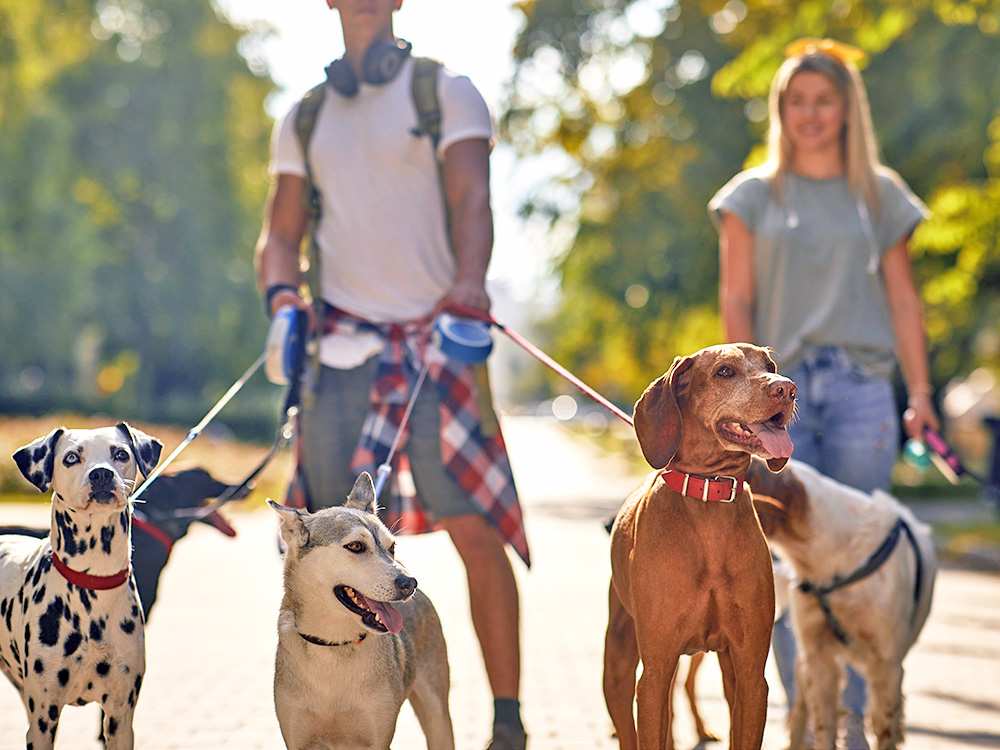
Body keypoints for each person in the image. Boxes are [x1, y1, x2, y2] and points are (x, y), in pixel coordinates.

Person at [254, 2, 528, 748]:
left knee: (474, 527)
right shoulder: (305, 117)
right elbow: (279, 236)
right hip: (339, 354)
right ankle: (335, 706)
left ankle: (508, 721)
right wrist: (281, 300)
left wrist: (470, 279)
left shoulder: (447, 92)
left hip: (439, 345)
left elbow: (473, 199)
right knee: (327, 541)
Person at [709, 38, 940, 750]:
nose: (810, 114)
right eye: (797, 101)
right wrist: (743, 401)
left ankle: (860, 725)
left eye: (824, 101)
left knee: (863, 566)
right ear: (781, 110)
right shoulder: (752, 195)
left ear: (846, 110)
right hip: (781, 397)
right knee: (789, 568)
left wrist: (920, 393)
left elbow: (904, 301)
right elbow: (736, 299)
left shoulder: (880, 193)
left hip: (864, 391)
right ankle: (808, 725)